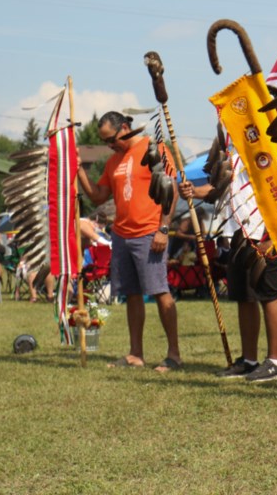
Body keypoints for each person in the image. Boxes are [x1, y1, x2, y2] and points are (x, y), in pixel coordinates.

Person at [77, 111, 182, 372]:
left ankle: (174, 355)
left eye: (112, 139)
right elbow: (98, 196)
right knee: (132, 295)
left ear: (125, 128)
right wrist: (78, 169)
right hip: (122, 235)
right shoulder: (114, 160)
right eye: (106, 142)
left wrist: (164, 229)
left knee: (160, 291)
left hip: (150, 232)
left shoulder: (154, 149)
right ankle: (136, 354)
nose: (110, 145)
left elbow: (172, 189)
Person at [180, 145, 277, 383]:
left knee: (268, 294)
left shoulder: (263, 148)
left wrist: (272, 236)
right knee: (244, 297)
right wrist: (194, 191)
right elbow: (221, 189)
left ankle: (276, 362)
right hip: (235, 234)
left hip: (260, 233)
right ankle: (249, 361)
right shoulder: (232, 154)